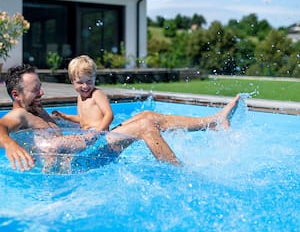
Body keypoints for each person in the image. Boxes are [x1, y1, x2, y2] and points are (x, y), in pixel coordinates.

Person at [0, 64, 240, 172]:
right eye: (35, 90)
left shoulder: (37, 111)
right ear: (16, 95)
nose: (42, 93)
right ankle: (181, 175)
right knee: (145, 126)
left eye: (41, 87)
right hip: (76, 166)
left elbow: (68, 130)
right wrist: (9, 143)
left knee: (147, 115)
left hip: (83, 152)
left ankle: (213, 121)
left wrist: (67, 120)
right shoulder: (19, 114)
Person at [52, 55, 113, 131]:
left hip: (98, 133)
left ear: (94, 79)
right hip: (86, 132)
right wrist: (64, 116)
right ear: (72, 81)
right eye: (80, 82)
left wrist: (97, 132)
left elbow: (109, 114)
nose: (85, 86)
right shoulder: (79, 98)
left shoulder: (97, 94)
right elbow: (82, 119)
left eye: (89, 81)